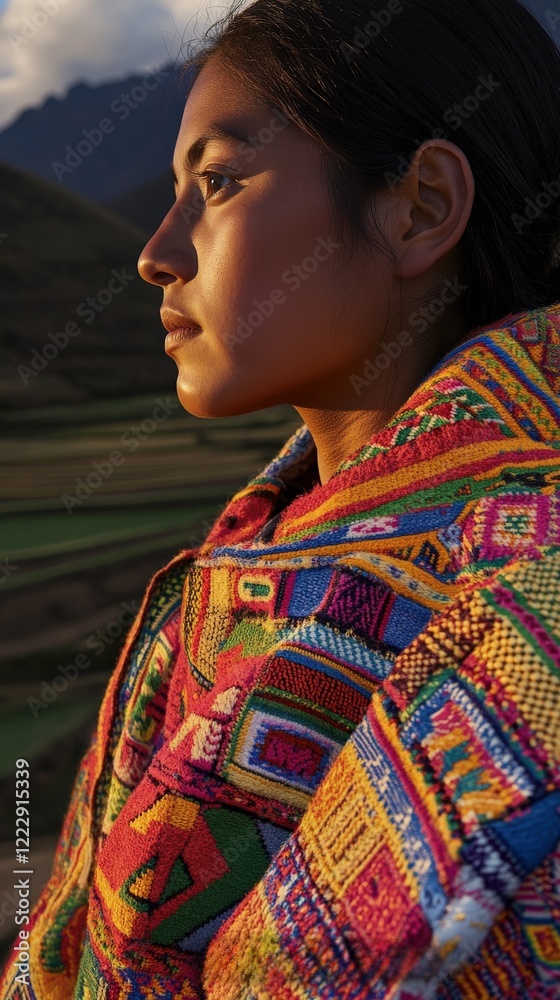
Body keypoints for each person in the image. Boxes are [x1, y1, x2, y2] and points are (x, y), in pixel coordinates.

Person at [2, 0, 560, 996]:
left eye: (216, 182)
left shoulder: (529, 597)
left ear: (420, 206)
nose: (155, 252)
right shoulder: (224, 578)